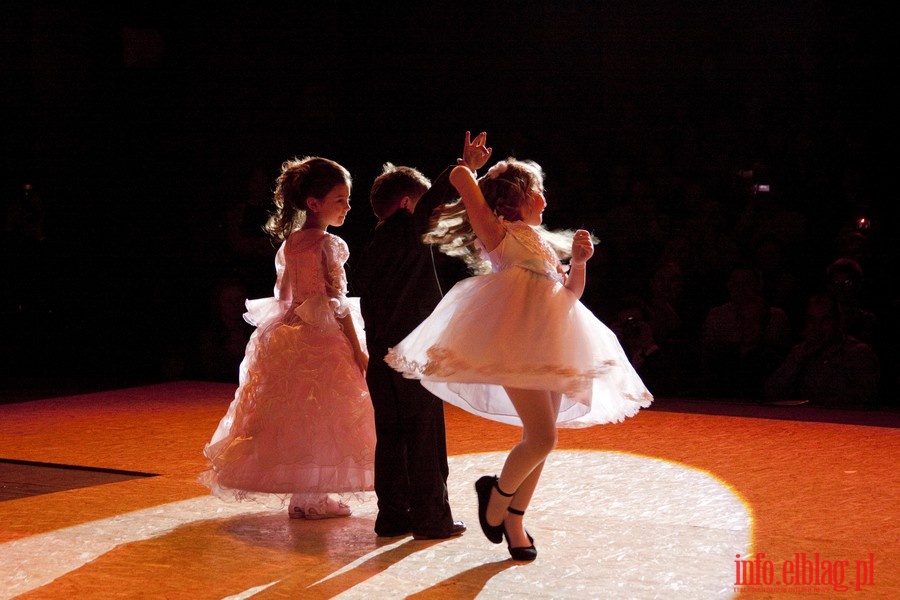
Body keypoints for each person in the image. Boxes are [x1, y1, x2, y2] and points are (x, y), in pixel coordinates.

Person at [386, 155, 653, 561]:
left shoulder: (540, 240)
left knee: (543, 439)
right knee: (542, 437)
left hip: (550, 339)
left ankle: (514, 519)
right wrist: (470, 167)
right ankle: (496, 497)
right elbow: (461, 180)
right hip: (515, 340)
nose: (545, 198)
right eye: (538, 189)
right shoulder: (498, 232)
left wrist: (579, 264)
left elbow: (569, 294)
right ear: (520, 196)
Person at [199, 156, 375, 519]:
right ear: (314, 203)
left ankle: (307, 495)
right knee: (326, 413)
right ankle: (312, 496)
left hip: (291, 332)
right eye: (340, 199)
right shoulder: (329, 245)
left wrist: (285, 328)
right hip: (323, 336)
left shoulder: (292, 242)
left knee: (300, 414)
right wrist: (358, 349)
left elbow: (286, 295)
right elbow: (335, 301)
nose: (347, 206)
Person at [352, 132, 490, 540]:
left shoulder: (374, 245)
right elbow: (436, 200)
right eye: (424, 201)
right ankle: (431, 518)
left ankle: (393, 515)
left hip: (380, 356)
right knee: (425, 434)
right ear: (407, 204)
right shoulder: (408, 229)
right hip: (412, 354)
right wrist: (465, 167)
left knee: (392, 436)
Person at [764, 293, 880, 408]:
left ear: (838, 321)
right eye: (812, 320)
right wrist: (796, 361)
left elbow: (867, 398)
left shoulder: (857, 353)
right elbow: (771, 392)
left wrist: (819, 402)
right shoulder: (800, 352)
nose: (817, 327)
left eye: (825, 320)